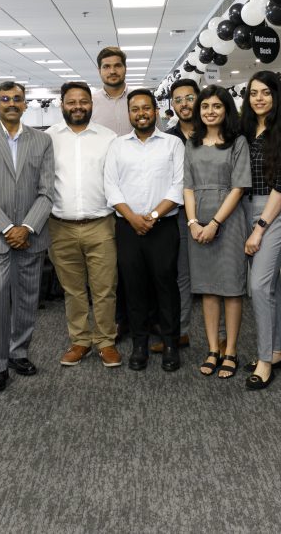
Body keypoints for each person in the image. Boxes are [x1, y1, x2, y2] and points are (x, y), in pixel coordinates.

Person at [0, 81, 55, 393]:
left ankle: (19, 353)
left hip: (31, 235)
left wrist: (26, 227)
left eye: (18, 98)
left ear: (25, 104)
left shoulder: (42, 140)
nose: (12, 103)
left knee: (28, 298)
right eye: (5, 99)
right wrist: (8, 229)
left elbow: (47, 192)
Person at [104, 89, 184, 372]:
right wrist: (133, 218)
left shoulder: (173, 143)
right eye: (135, 109)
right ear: (129, 114)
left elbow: (178, 185)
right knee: (133, 287)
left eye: (146, 108)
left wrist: (151, 216)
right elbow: (111, 186)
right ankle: (139, 345)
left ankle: (171, 344)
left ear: (156, 110)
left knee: (166, 286)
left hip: (163, 227)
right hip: (128, 228)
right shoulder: (117, 146)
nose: (141, 113)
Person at [46, 81, 121, 368]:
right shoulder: (49, 138)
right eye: (71, 102)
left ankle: (105, 341)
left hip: (101, 224)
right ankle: (79, 340)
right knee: (73, 289)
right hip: (60, 226)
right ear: (62, 105)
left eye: (83, 101)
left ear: (91, 104)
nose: (78, 107)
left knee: (105, 288)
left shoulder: (108, 138)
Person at [183, 85, 250, 378]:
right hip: (197, 220)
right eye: (205, 106)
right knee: (208, 289)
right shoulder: (192, 142)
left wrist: (215, 223)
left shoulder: (238, 142)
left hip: (229, 220)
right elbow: (187, 187)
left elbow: (239, 187)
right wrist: (193, 222)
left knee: (232, 289)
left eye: (217, 106)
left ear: (226, 110)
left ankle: (231, 350)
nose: (210, 111)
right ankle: (213, 349)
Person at [242, 71, 281, 390]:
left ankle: (265, 360)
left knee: (259, 285)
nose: (259, 98)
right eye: (253, 93)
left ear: (277, 95)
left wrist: (259, 228)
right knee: (272, 285)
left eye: (266, 92)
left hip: (276, 210)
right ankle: (277, 351)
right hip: (248, 206)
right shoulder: (247, 129)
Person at [154, 77, 201, 355]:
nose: (184, 104)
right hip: (180, 215)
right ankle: (180, 332)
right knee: (181, 276)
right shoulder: (168, 139)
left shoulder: (215, 131)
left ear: (199, 98)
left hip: (216, 213)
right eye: (178, 100)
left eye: (189, 98)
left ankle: (221, 338)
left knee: (215, 277)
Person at [91, 46, 132, 136]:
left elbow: (158, 135)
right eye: (106, 67)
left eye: (117, 66)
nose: (112, 71)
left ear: (125, 68)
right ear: (99, 71)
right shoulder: (90, 103)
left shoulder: (141, 99)